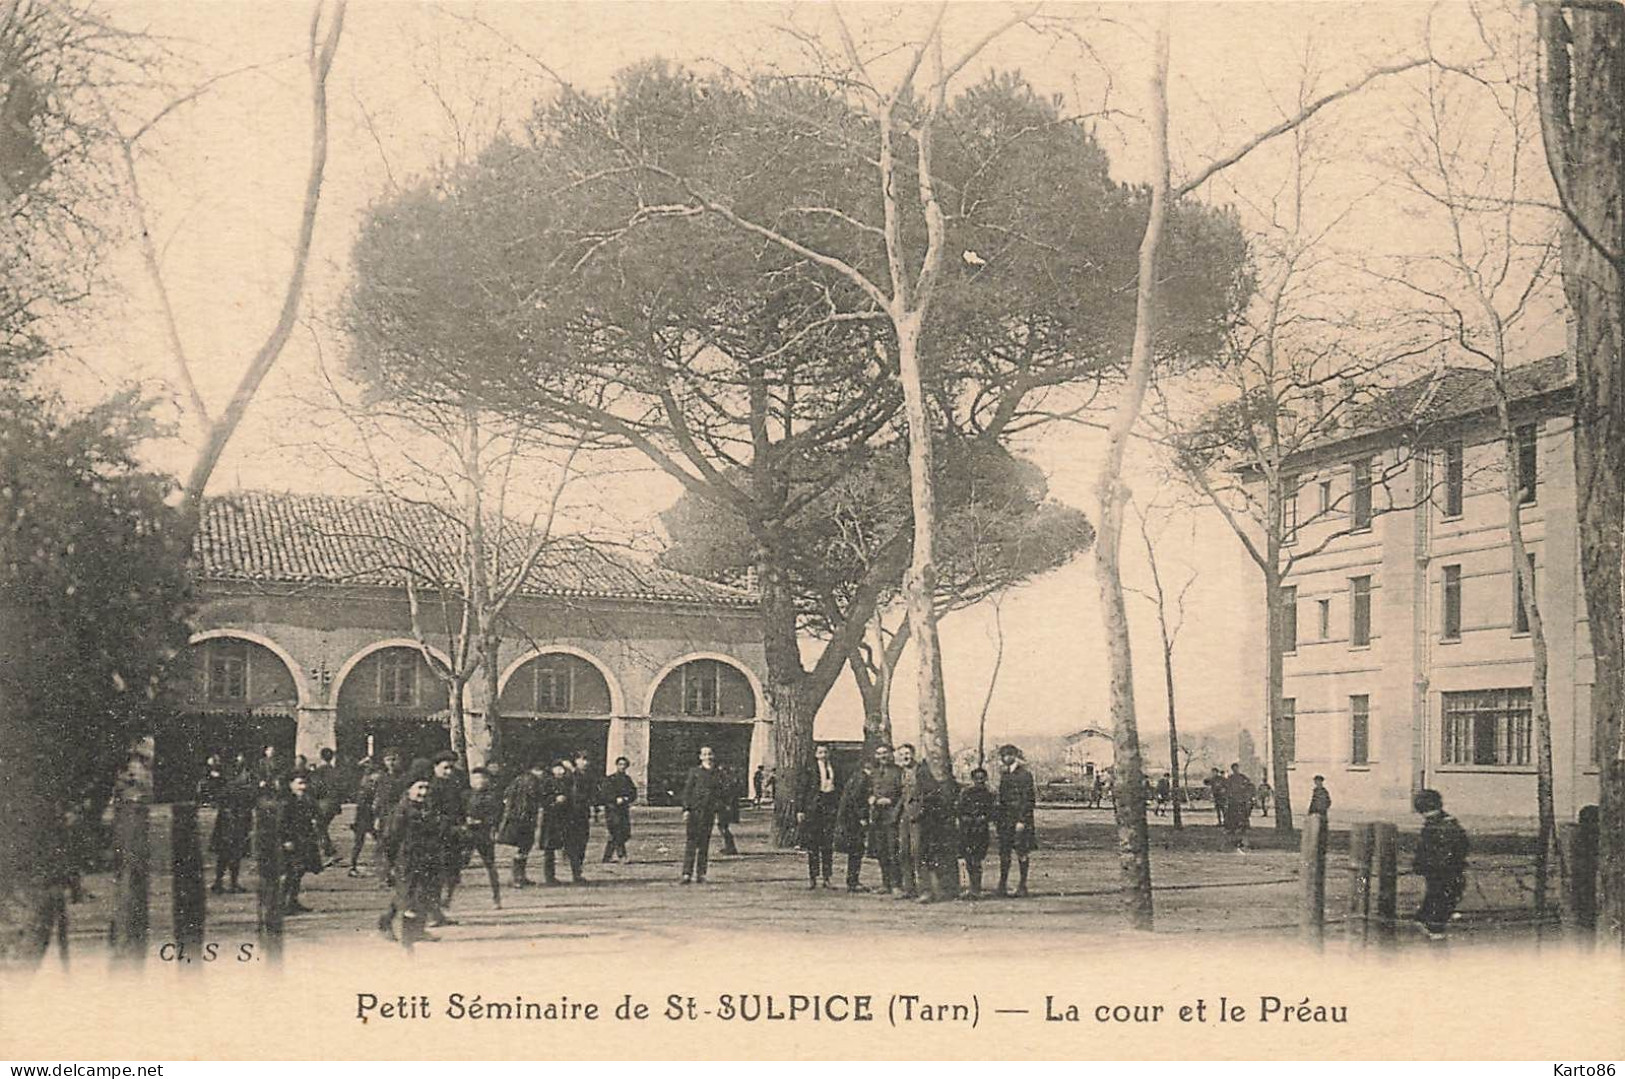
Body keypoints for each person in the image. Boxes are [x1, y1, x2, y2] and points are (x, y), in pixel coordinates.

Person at [379, 766, 451, 948]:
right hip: (407, 861)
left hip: (427, 859)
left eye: (427, 788)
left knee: (422, 895)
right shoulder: (401, 811)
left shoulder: (427, 808)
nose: (424, 792)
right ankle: (405, 938)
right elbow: (390, 840)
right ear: (408, 789)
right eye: (419, 788)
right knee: (410, 898)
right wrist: (390, 864)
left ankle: (412, 929)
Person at [1412, 789, 1469, 939]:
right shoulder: (1448, 823)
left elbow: (1423, 848)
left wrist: (1420, 864)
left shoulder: (1432, 824)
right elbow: (1461, 844)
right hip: (1446, 867)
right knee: (1446, 894)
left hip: (1435, 866)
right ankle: (1434, 927)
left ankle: (1424, 918)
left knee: (1435, 893)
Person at [796, 744, 841, 889]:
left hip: (830, 805)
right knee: (813, 844)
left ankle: (827, 877)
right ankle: (813, 877)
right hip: (814, 807)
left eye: (825, 752)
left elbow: (839, 786)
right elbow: (802, 788)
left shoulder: (834, 767)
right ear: (816, 754)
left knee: (827, 844)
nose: (823, 754)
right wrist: (800, 809)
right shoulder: (810, 769)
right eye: (820, 752)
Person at [497, 759, 548, 888]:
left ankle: (519, 876)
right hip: (524, 818)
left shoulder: (518, 779)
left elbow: (506, 796)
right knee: (523, 847)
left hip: (515, 817)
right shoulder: (533, 781)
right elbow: (535, 797)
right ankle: (517, 877)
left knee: (521, 848)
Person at [427, 751, 465, 918]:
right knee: (437, 876)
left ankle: (442, 907)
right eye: (445, 768)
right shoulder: (430, 788)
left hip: (453, 837)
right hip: (437, 838)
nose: (449, 772)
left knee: (452, 873)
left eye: (451, 768)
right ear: (436, 767)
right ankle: (435, 913)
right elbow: (431, 815)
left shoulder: (453, 785)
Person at [995, 744, 1036, 898]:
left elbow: (1028, 800)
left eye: (1008, 755)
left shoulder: (1025, 775)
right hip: (1005, 821)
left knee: (1022, 852)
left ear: (1014, 756)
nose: (1006, 758)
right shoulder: (1004, 775)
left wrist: (1022, 820)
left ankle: (1022, 885)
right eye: (1003, 756)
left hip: (1020, 820)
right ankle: (1002, 885)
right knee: (1004, 853)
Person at [280, 771, 324, 915]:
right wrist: (286, 840)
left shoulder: (306, 800)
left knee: (299, 871)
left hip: (304, 840)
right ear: (291, 785)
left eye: (305, 783)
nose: (303, 787)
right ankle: (282, 903)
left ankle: (292, 901)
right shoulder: (286, 802)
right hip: (291, 841)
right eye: (299, 783)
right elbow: (281, 823)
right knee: (291, 872)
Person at [208, 760, 255, 894]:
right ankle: (220, 882)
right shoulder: (227, 782)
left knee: (234, 853)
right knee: (227, 853)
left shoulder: (240, 782)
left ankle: (229, 882)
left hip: (238, 819)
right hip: (229, 820)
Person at [680, 745, 725, 884]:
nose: (708, 757)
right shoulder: (694, 772)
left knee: (704, 844)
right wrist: (686, 809)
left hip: (708, 812)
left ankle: (701, 873)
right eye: (705, 754)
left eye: (710, 754)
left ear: (713, 756)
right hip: (694, 811)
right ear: (700, 757)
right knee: (691, 842)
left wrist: (719, 808)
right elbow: (687, 791)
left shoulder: (718, 773)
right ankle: (687, 873)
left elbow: (721, 793)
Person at [462, 766, 502, 908]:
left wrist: (482, 821)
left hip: (483, 834)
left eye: (483, 778)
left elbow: (496, 815)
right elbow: (460, 811)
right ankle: (447, 898)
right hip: (466, 833)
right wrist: (465, 820)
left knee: (490, 865)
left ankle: (496, 898)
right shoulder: (466, 795)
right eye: (476, 778)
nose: (480, 781)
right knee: (457, 865)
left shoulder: (492, 796)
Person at [867, 744, 904, 895]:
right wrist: (871, 798)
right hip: (877, 816)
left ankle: (897, 885)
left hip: (893, 815)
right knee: (881, 850)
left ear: (891, 754)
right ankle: (885, 883)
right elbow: (869, 790)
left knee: (893, 850)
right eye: (879, 753)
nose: (882, 756)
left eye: (885, 753)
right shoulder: (874, 773)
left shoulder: (898, 771)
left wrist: (891, 801)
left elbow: (903, 793)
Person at [920, 766, 960, 904]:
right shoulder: (925, 784)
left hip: (946, 825)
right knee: (929, 856)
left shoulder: (952, 786)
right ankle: (930, 889)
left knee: (947, 856)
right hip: (929, 824)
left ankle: (950, 889)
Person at [370, 748, 410, 885]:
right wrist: (375, 817)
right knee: (385, 844)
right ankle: (387, 874)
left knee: (400, 844)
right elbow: (378, 798)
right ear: (384, 762)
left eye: (394, 759)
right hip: (384, 815)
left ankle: (398, 873)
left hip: (400, 814)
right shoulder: (381, 778)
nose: (391, 763)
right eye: (388, 760)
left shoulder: (405, 777)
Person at [895, 744, 930, 899]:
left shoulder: (922, 771)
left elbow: (930, 794)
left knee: (918, 852)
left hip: (917, 817)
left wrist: (920, 811)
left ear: (913, 754)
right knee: (903, 852)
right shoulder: (901, 772)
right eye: (902, 754)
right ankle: (909, 888)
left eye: (908, 754)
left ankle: (925, 890)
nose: (905, 757)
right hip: (903, 816)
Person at [957, 767, 995, 900]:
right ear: (972, 779)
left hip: (980, 830)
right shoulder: (966, 792)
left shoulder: (989, 794)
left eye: (982, 778)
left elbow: (992, 811)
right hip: (967, 830)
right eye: (977, 778)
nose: (979, 781)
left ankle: (976, 888)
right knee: (968, 859)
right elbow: (959, 809)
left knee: (977, 859)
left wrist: (984, 817)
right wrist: (965, 818)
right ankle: (971, 887)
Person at [833, 764, 872, 893]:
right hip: (853, 819)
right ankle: (852, 881)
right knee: (856, 849)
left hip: (849, 817)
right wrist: (862, 817)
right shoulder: (863, 778)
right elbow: (857, 799)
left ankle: (852, 880)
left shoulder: (857, 775)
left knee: (855, 850)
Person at [538, 760, 573, 885]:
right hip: (551, 819)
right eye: (557, 768)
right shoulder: (547, 782)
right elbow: (542, 798)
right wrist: (554, 799)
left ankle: (575, 874)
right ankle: (549, 876)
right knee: (549, 848)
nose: (560, 771)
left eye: (562, 769)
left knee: (568, 844)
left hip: (564, 818)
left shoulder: (568, 782)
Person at [599, 756, 638, 863]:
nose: (622, 767)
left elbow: (633, 793)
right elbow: (605, 794)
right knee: (617, 832)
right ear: (616, 765)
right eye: (620, 764)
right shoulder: (610, 779)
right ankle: (622, 855)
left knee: (623, 833)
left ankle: (607, 856)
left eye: (624, 765)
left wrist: (627, 798)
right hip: (612, 810)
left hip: (623, 810)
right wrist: (615, 799)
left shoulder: (628, 780)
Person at [564, 749, 595, 883]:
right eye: (582, 759)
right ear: (576, 761)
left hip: (583, 813)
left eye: (587, 759)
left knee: (582, 842)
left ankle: (578, 871)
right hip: (571, 814)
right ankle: (575, 872)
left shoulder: (587, 776)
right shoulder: (569, 775)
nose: (585, 762)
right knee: (573, 843)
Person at [347, 756, 381, 877]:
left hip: (366, 813)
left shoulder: (368, 782)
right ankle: (353, 866)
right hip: (364, 813)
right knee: (364, 841)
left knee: (363, 841)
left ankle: (354, 866)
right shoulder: (365, 783)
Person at [1223, 763, 1256, 852]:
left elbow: (1249, 786)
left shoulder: (1243, 778)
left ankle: (1243, 829)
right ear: (1232, 769)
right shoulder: (1230, 779)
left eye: (1236, 768)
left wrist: (1247, 795)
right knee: (1232, 816)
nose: (1235, 770)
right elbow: (1226, 788)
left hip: (1241, 800)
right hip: (1233, 801)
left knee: (1243, 815)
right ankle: (1233, 831)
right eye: (1234, 768)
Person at [714, 763, 742, 856]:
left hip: (726, 806)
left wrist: (727, 805)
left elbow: (728, 795)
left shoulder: (727, 783)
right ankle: (729, 846)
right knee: (722, 826)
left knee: (722, 826)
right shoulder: (729, 781)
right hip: (725, 806)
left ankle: (730, 847)